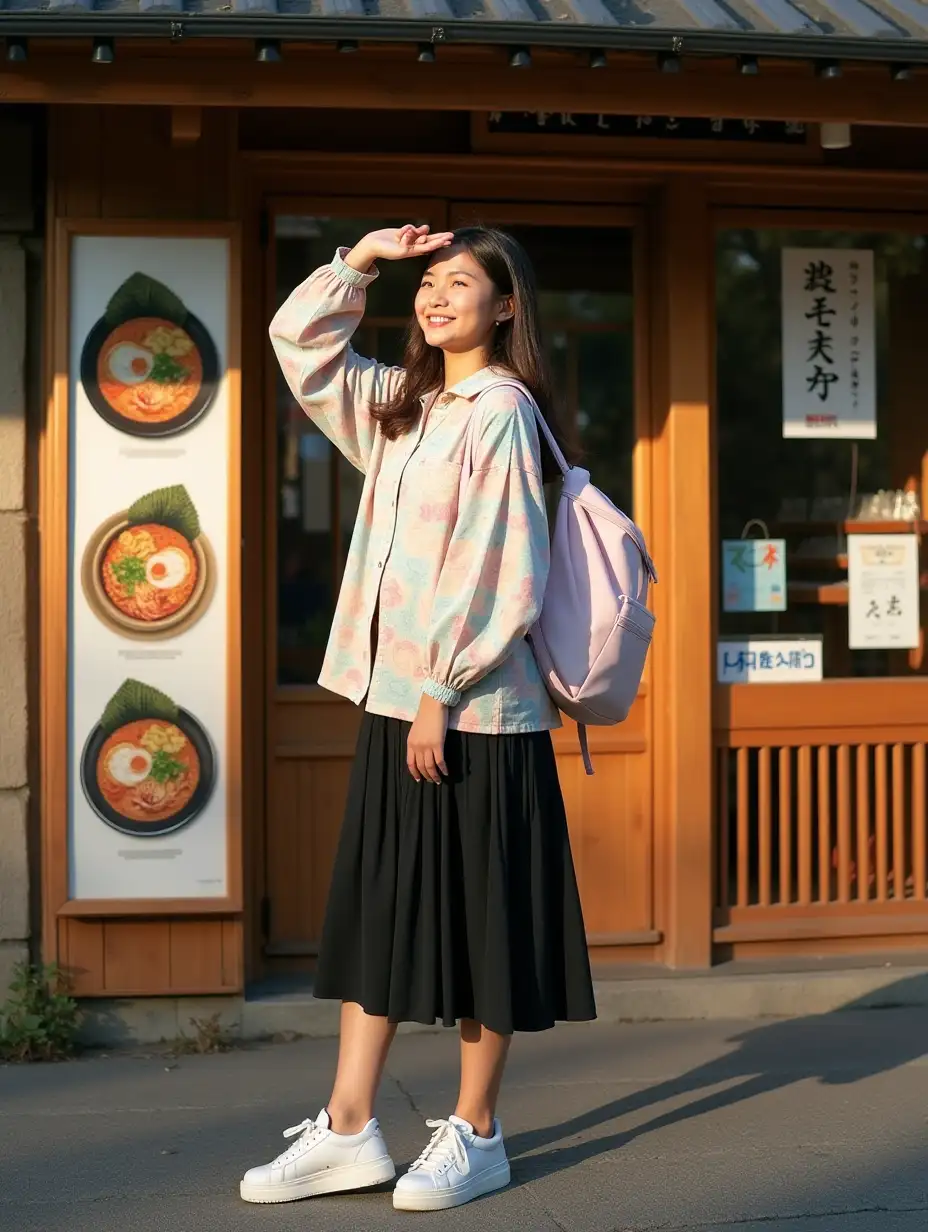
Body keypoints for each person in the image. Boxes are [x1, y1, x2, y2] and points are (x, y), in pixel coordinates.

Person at [241, 224, 595, 1213]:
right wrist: (358, 261)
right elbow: (297, 342)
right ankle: (349, 1125)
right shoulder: (402, 409)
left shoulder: (502, 413)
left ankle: (477, 1131)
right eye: (428, 282)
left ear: (506, 304)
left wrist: (441, 689)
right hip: (398, 704)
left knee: (485, 924)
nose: (436, 296)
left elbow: (504, 568)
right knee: (384, 910)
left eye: (460, 282)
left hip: (475, 711)